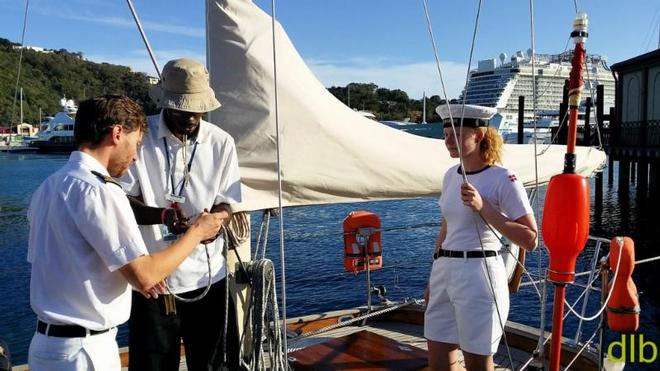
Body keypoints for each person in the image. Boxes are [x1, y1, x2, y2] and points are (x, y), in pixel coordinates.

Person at [26, 95, 223, 371]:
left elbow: (71, 261)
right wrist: (197, 233)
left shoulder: (48, 187)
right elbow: (147, 274)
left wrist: (134, 276)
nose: (135, 156)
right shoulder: (102, 191)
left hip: (44, 348)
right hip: (86, 352)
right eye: (136, 144)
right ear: (117, 133)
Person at [120, 58, 242, 371]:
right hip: (155, 281)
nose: (191, 116)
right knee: (153, 366)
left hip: (209, 276)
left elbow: (227, 203)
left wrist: (214, 223)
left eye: (197, 108)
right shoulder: (140, 139)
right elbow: (119, 202)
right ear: (165, 103)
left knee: (215, 365)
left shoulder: (221, 142)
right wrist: (162, 216)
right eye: (182, 108)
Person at [424, 104, 538, 371]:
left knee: (477, 362)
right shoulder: (450, 176)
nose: (447, 141)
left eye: (455, 134)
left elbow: (531, 239)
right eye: (445, 134)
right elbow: (446, 228)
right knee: (439, 358)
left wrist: (483, 206)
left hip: (479, 274)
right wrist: (434, 275)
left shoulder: (503, 178)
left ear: (479, 135)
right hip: (445, 272)